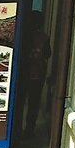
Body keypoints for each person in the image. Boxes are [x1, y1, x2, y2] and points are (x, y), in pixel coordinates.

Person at [16, 10, 51, 140]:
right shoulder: (43, 38)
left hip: (21, 74)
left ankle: (16, 129)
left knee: (19, 103)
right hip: (37, 74)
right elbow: (48, 54)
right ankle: (29, 130)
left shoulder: (21, 35)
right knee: (33, 104)